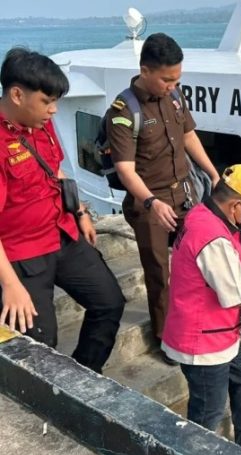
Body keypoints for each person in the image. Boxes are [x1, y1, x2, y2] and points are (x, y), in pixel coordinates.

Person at [0, 47, 125, 373]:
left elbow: (55, 170)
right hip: (21, 254)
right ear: (17, 94)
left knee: (109, 302)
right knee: (39, 346)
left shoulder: (39, 124)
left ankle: (84, 376)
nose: (54, 110)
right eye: (47, 101)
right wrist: (10, 286)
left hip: (62, 232)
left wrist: (80, 212)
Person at [106, 33, 220, 364]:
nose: (172, 85)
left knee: (198, 261)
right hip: (149, 204)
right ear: (145, 70)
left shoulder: (174, 97)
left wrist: (212, 173)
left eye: (177, 79)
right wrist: (151, 203)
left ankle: (196, 323)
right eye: (167, 79)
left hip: (183, 196)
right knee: (159, 272)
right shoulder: (123, 111)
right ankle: (165, 338)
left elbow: (188, 136)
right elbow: (126, 170)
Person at [161, 164, 241, 450]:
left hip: (220, 332)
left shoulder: (202, 213)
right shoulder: (214, 237)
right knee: (208, 412)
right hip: (203, 342)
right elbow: (236, 296)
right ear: (236, 205)